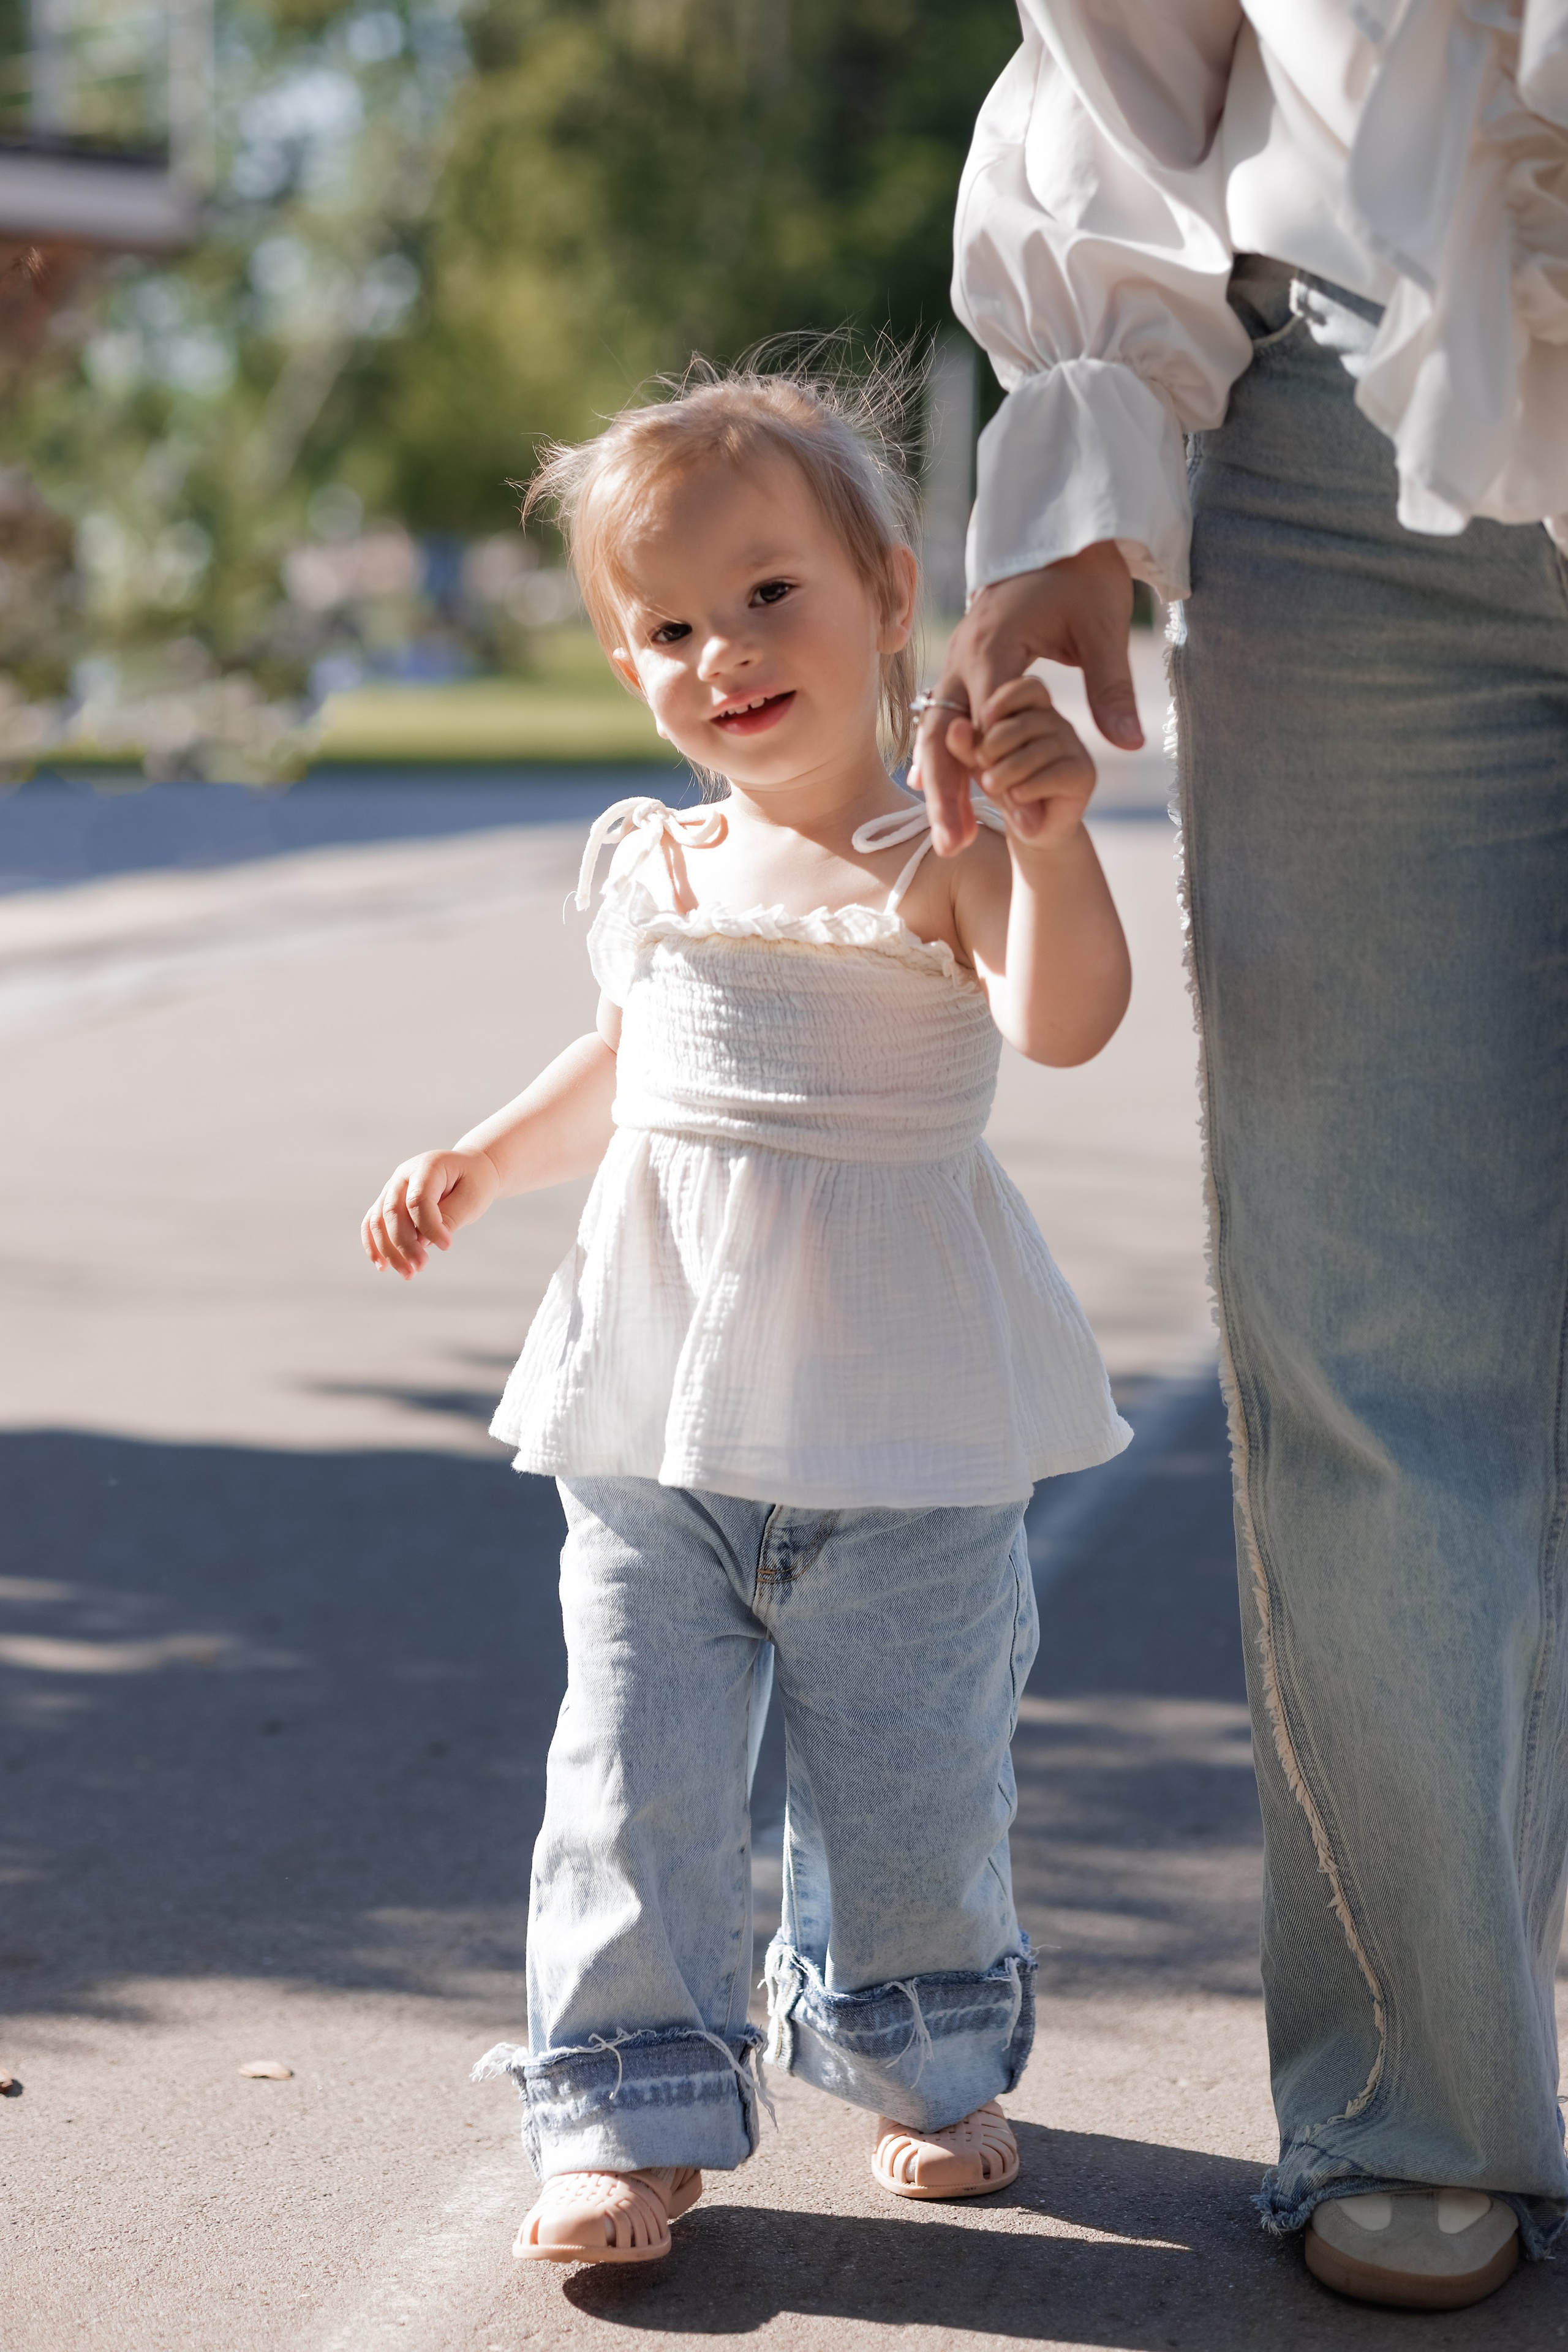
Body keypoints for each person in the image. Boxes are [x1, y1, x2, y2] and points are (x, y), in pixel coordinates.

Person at [924, 0, 1568, 2316]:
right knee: (1375, 1330)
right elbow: (1137, 50)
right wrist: (1085, 462)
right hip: (1358, 446)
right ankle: (1420, 2095)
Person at [360, 361, 1134, 2264]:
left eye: (770, 594)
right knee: (631, 1775)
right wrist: (482, 1157)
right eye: (670, 627)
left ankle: (922, 2053)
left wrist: (1052, 844)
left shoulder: (943, 855)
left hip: (907, 1440)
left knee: (913, 1786)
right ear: (629, 667)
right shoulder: (659, 862)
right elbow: (629, 1064)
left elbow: (1065, 1021)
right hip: (659, 1425)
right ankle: (627, 2112)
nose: (724, 652)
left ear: (891, 590)